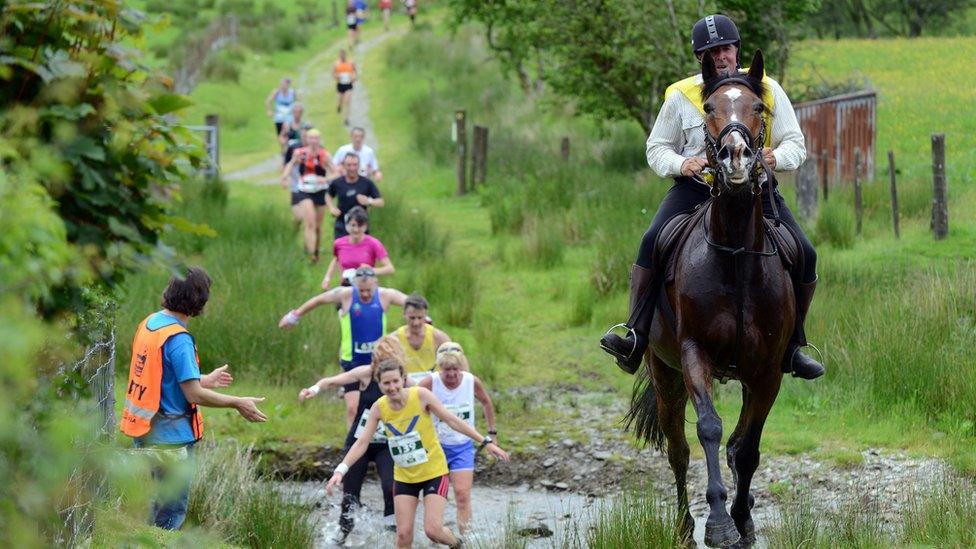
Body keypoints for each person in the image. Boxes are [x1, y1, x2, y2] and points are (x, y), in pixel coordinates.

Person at [599, 14, 822, 381]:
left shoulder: (766, 88)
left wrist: (774, 157)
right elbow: (656, 148)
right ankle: (635, 335)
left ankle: (794, 344)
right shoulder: (680, 96)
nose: (721, 56)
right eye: (712, 51)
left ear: (737, 49)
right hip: (696, 189)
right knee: (652, 241)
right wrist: (682, 163)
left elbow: (795, 143)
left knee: (805, 252)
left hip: (754, 190)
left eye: (726, 48)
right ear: (701, 58)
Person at [120, 267, 267, 530]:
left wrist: (204, 379)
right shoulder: (178, 339)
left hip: (143, 430)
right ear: (199, 301)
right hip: (171, 438)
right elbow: (193, 394)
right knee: (170, 512)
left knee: (151, 504)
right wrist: (237, 402)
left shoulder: (150, 324)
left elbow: (161, 375)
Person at [325, 358, 509, 549]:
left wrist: (485, 441)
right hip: (405, 477)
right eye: (386, 383)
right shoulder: (379, 408)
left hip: (434, 473)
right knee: (403, 536)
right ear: (379, 384)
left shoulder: (420, 395)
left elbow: (452, 420)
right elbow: (362, 442)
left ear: (403, 379)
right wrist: (341, 470)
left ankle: (458, 545)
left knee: (433, 530)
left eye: (395, 381)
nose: (392, 387)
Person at [298, 335, 407, 539]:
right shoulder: (366, 374)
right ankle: (343, 532)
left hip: (387, 444)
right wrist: (313, 389)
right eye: (379, 361)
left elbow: (427, 392)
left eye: (387, 361)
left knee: (390, 487)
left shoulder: (402, 380)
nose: (383, 368)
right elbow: (331, 381)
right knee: (350, 491)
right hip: (359, 441)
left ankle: (391, 534)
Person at [279, 266, 408, 428]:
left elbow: (412, 302)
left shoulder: (385, 295)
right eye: (361, 290)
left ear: (375, 284)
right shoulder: (345, 295)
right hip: (352, 361)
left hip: (377, 362)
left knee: (380, 406)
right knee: (353, 409)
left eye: (369, 290)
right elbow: (318, 300)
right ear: (354, 286)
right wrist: (294, 316)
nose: (366, 294)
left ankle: (381, 443)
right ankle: (351, 445)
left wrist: (424, 317)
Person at [418, 343, 496, 534]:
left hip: (462, 447)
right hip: (436, 448)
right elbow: (413, 405)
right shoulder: (430, 382)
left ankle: (466, 539)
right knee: (436, 496)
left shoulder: (471, 381)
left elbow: (486, 402)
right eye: (446, 370)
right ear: (439, 368)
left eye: (455, 369)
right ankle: (436, 534)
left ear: (461, 367)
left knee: (462, 495)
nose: (451, 374)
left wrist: (492, 433)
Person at [281, 129, 337, 263]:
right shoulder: (300, 153)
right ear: (306, 139)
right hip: (304, 190)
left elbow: (336, 172)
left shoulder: (325, 155)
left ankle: (316, 251)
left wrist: (326, 179)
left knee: (318, 226)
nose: (313, 141)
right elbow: (290, 164)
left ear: (319, 140)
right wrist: (284, 177)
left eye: (316, 138)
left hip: (320, 191)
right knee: (310, 223)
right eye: (310, 138)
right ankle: (311, 254)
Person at [321, 206, 395, 289]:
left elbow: (390, 269)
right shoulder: (339, 243)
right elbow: (336, 259)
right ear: (347, 225)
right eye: (353, 225)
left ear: (365, 226)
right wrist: (327, 278)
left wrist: (370, 270)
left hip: (367, 289)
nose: (356, 229)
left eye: (360, 226)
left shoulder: (373, 243)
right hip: (346, 287)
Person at [394, 294, 451, 384]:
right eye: (412, 318)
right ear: (404, 315)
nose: (416, 323)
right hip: (405, 387)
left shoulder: (438, 337)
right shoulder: (395, 339)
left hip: (433, 385)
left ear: (426, 316)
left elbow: (456, 359)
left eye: (420, 318)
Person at [326, 153, 384, 239]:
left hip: (361, 225)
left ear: (359, 165)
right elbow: (328, 195)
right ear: (344, 166)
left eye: (355, 165)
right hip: (342, 224)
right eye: (349, 165)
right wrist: (331, 208)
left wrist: (369, 201)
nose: (352, 168)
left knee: (360, 251)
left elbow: (381, 202)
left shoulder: (367, 183)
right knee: (343, 251)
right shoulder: (337, 182)